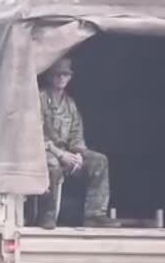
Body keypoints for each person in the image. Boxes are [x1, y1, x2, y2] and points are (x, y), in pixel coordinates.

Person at [38, 56, 117, 229]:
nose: (61, 78)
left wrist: (79, 155)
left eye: (65, 75)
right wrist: (60, 154)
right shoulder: (39, 99)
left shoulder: (70, 104)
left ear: (70, 77)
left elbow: (76, 135)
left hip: (66, 153)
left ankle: (95, 215)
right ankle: (47, 215)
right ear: (50, 77)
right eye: (57, 75)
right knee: (52, 164)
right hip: (43, 152)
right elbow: (34, 134)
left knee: (99, 161)